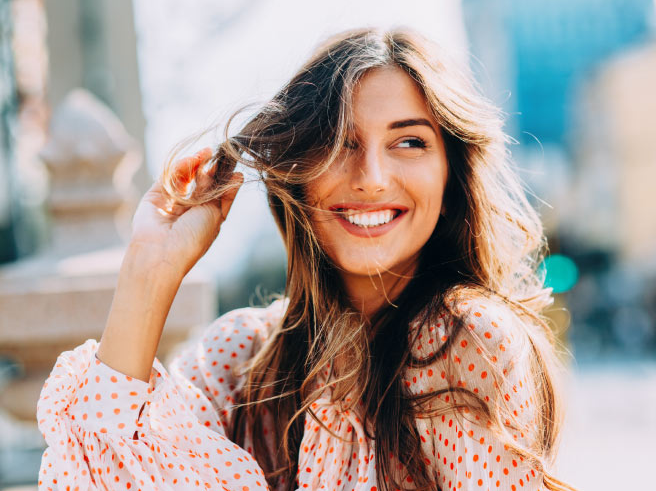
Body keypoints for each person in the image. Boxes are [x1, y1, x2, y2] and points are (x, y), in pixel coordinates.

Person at [37, 28, 576, 491]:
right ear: (298, 170)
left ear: (450, 174)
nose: (370, 176)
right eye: (340, 141)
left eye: (409, 143)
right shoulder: (238, 360)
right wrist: (150, 268)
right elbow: (93, 471)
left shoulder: (465, 343)